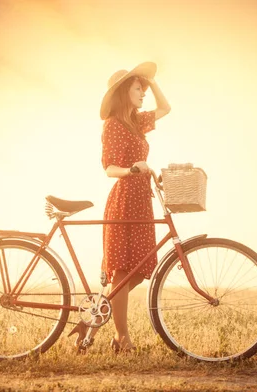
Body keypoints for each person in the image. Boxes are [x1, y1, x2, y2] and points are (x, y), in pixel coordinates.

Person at [68, 62, 171, 354]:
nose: (143, 94)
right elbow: (110, 168)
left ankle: (95, 316)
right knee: (122, 270)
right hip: (125, 199)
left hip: (141, 201)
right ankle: (121, 337)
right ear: (124, 92)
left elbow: (165, 108)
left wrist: (151, 80)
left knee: (138, 268)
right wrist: (132, 170)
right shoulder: (113, 125)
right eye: (138, 89)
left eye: (143, 89)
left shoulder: (136, 122)